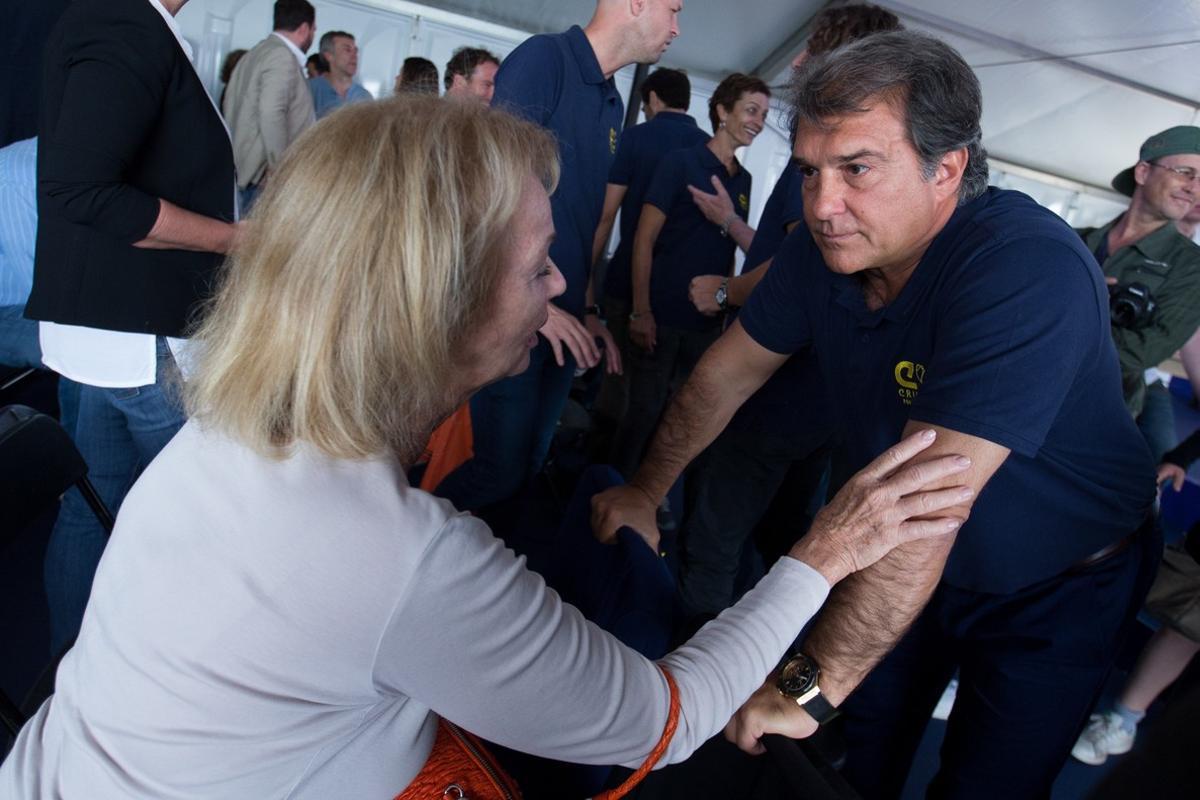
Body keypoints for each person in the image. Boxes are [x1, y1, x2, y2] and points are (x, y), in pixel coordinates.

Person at [0, 95, 971, 799]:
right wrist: (822, 555)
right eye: (536, 264)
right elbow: (662, 722)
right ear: (436, 308)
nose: (556, 284)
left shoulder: (233, 426)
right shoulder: (393, 553)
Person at [594, 31, 1160, 799]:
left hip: (1058, 585)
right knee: (860, 753)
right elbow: (721, 380)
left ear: (947, 168)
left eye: (856, 169)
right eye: (809, 173)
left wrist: (803, 688)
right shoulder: (821, 250)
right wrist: (645, 491)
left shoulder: (1025, 266)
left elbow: (927, 509)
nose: (824, 206)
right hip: (916, 565)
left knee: (983, 786)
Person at [674, 2, 901, 622]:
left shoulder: (837, 151)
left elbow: (805, 260)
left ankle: (688, 687)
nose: (796, 62)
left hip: (775, 391)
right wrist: (734, 227)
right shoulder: (855, 146)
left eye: (811, 50)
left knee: (714, 543)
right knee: (776, 550)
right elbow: (792, 250)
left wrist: (725, 292)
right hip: (821, 398)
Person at [24, 0, 239, 654]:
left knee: (94, 510)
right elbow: (82, 187)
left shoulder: (116, 20)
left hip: (107, 334)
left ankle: (74, 680)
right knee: (203, 526)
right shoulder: (124, 23)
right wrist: (233, 240)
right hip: (145, 340)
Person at [434, 0, 681, 512]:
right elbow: (489, 195)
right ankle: (406, 547)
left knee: (528, 467)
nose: (676, 29)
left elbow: (579, 222)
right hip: (514, 311)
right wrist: (535, 304)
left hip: (560, 317)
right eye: (673, 10)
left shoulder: (614, 102)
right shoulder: (545, 61)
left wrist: (587, 310)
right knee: (496, 472)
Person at [610, 74, 768, 480]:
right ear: (721, 111)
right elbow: (643, 240)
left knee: (681, 421)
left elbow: (730, 252)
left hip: (704, 326)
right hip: (660, 315)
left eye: (764, 115)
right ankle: (614, 492)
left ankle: (652, 498)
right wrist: (641, 311)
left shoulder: (745, 181)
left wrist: (726, 308)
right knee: (640, 414)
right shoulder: (679, 163)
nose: (758, 121)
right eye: (751, 110)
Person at [590, 67, 708, 440]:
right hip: (680, 297)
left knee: (616, 383)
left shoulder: (637, 138)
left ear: (653, 99)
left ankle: (597, 474)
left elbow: (607, 214)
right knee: (660, 401)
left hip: (627, 283)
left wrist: (586, 280)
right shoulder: (708, 149)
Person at [1076, 126, 1200, 461]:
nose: (1195, 188)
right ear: (1143, 171)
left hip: (1092, 420)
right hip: (1022, 393)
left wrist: (1073, 307)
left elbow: (1142, 354)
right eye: (1185, 172)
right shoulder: (1075, 241)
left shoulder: (1191, 267)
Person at [222, 0, 316, 213]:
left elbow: (230, 101)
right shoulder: (281, 56)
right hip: (262, 177)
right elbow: (271, 111)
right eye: (314, 29)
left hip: (244, 170)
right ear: (304, 28)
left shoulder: (256, 52)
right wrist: (279, 167)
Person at [308, 31, 373, 119]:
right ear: (329, 56)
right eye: (347, 50)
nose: (354, 56)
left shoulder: (365, 96)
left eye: (355, 51)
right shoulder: (310, 90)